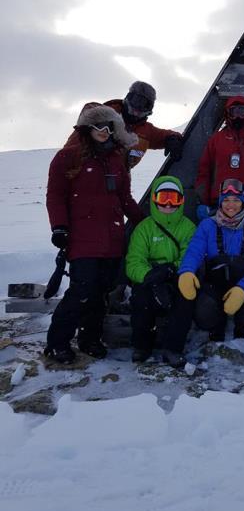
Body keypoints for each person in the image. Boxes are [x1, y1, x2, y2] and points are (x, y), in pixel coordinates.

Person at [44, 105, 144, 364]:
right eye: (97, 126)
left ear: (114, 130)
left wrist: (145, 222)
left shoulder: (116, 160)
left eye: (107, 126)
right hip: (82, 239)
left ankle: (90, 339)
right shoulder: (67, 157)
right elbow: (55, 196)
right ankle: (57, 342)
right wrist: (59, 227)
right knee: (81, 290)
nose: (102, 132)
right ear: (87, 129)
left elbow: (125, 199)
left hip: (112, 239)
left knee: (101, 292)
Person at [177, 179, 244, 341]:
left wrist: (242, 288)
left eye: (236, 200)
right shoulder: (207, 225)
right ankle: (217, 320)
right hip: (215, 283)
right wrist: (186, 271)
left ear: (243, 202)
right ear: (220, 202)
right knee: (204, 313)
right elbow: (194, 252)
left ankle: (242, 323)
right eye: (226, 200)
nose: (231, 205)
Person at [125, 176, 197, 365]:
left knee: (185, 298)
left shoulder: (188, 227)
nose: (168, 205)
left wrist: (172, 270)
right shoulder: (144, 229)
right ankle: (142, 346)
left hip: (176, 276)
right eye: (163, 198)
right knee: (141, 299)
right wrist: (149, 276)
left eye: (173, 199)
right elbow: (134, 261)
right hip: (150, 277)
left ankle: (173, 348)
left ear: (181, 201)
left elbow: (190, 256)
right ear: (155, 199)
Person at [66, 81, 183, 170]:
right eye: (136, 100)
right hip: (80, 176)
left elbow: (163, 135)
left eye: (145, 105)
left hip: (113, 187)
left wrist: (172, 138)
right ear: (128, 98)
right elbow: (88, 112)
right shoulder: (105, 115)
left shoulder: (146, 131)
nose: (137, 109)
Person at [195, 96, 244, 218]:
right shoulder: (216, 140)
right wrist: (202, 202)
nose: (238, 116)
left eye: (242, 111)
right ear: (227, 113)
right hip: (220, 203)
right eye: (234, 112)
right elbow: (204, 172)